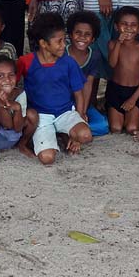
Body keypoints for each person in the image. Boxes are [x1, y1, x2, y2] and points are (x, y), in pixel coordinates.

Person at [18, 13, 93, 165]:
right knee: (47, 159)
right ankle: (53, 136)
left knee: (85, 135)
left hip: (65, 112)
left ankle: (67, 135)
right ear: (44, 44)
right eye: (59, 41)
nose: (63, 45)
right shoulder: (25, 62)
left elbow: (78, 94)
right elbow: (12, 83)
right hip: (41, 116)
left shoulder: (69, 62)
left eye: (64, 40)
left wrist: (80, 116)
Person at [105, 6, 139, 135]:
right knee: (116, 128)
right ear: (116, 26)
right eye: (124, 24)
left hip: (134, 92)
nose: (129, 28)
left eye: (133, 25)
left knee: (132, 129)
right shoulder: (112, 44)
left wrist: (133, 99)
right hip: (115, 90)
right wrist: (119, 42)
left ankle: (131, 114)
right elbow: (112, 64)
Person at [65, 10, 108, 112]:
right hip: (60, 100)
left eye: (87, 34)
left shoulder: (94, 56)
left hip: (80, 101)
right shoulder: (62, 53)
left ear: (93, 39)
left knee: (101, 125)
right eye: (78, 32)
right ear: (70, 34)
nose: (82, 37)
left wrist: (83, 112)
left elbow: (88, 84)